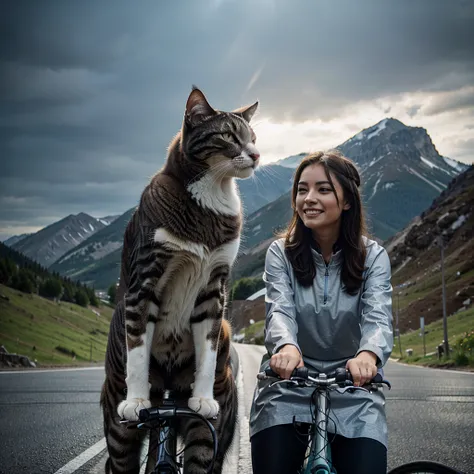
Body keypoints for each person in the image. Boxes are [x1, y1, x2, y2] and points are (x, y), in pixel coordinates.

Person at [249, 150, 393, 474]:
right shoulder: (280, 253)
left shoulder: (374, 257)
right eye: (302, 189)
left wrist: (368, 356)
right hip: (287, 383)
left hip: (355, 387)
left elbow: (378, 316)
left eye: (323, 189)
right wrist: (286, 347)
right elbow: (279, 309)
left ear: (346, 201)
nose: (309, 198)